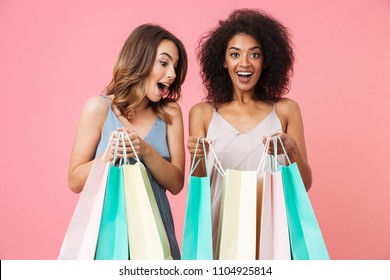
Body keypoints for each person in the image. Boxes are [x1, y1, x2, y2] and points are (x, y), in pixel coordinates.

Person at [187, 9, 312, 258]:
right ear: (223, 61)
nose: (244, 63)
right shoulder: (202, 113)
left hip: (273, 232)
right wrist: (199, 157)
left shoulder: (286, 110)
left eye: (254, 54)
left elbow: (304, 185)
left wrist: (292, 149)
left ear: (266, 60)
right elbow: (199, 187)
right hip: (220, 234)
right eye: (235, 54)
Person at [68, 23, 188, 260]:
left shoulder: (171, 112)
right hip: (107, 237)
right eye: (164, 63)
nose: (172, 74)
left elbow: (176, 184)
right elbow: (74, 180)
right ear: (140, 60)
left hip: (157, 233)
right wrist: (107, 157)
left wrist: (145, 150)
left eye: (175, 66)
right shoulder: (98, 108)